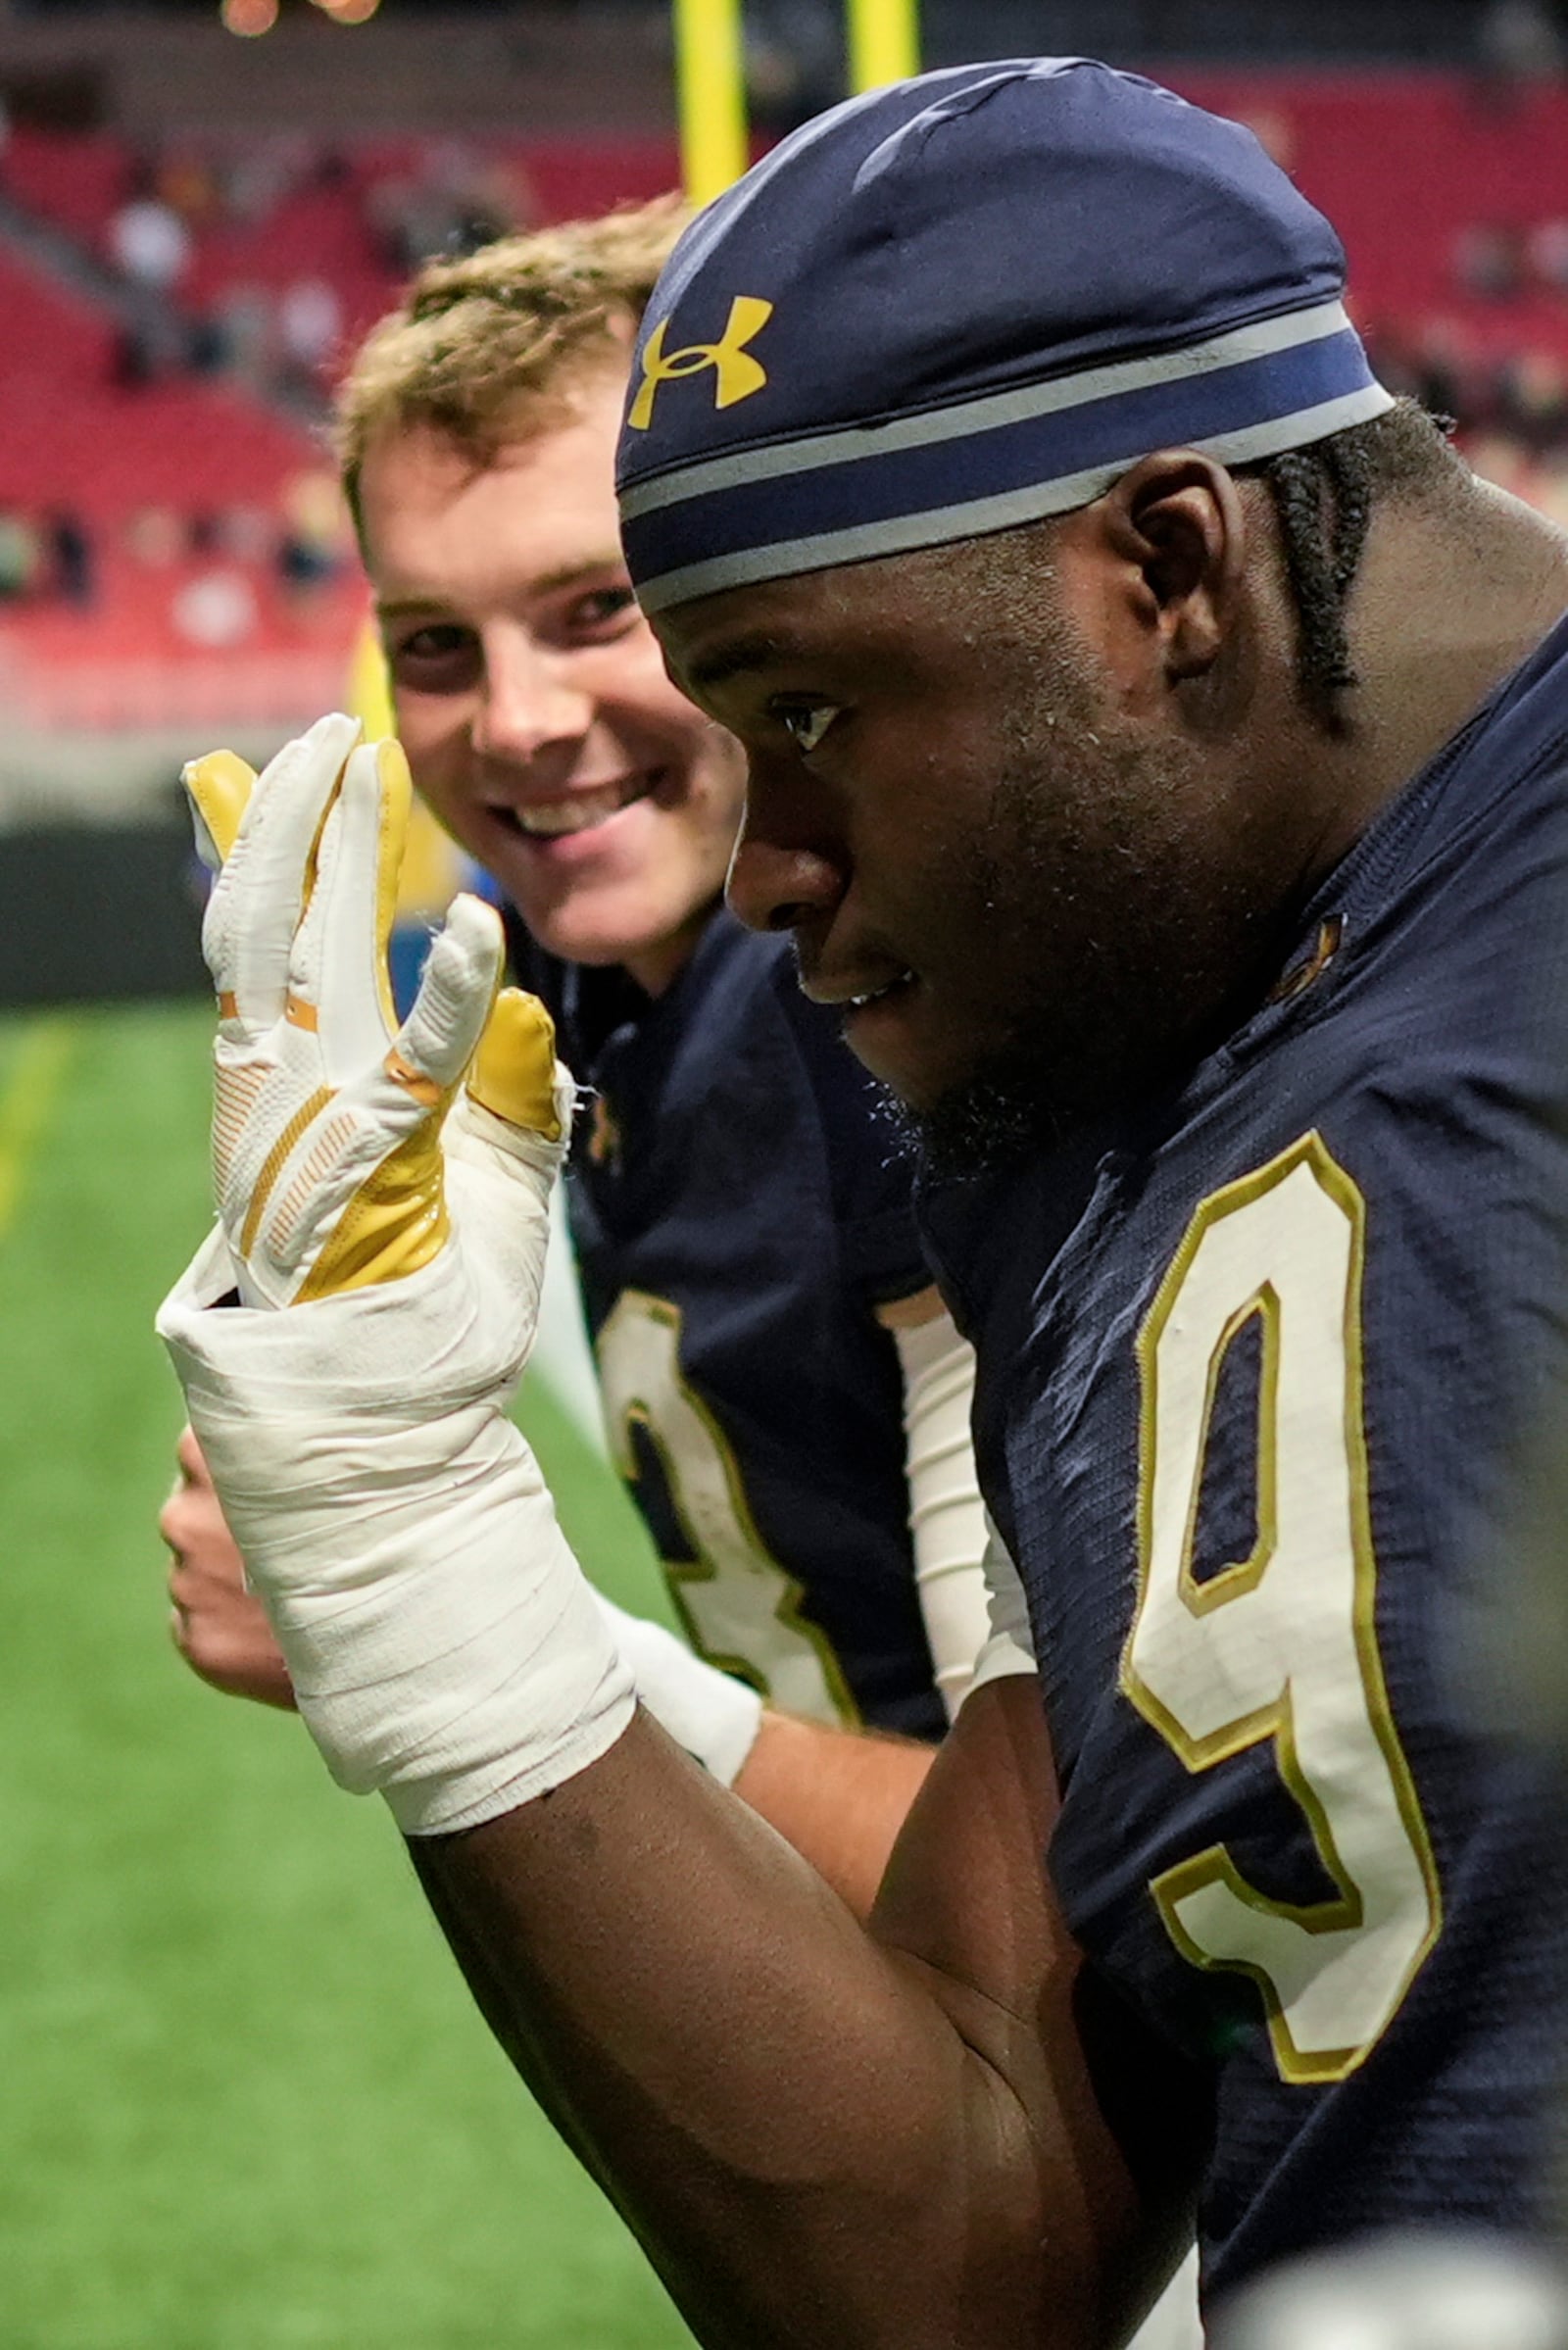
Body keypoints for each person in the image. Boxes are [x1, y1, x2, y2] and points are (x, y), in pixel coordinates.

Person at [158, 60, 1568, 2345]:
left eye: (803, 707)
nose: (762, 860)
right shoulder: (1111, 1040)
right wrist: (414, 1555)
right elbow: (963, 2258)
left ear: (1162, 568)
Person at [161, 207, 1002, 1924]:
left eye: (599, 605)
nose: (521, 721)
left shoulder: (910, 1017)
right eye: (438, 645)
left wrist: (444, 1603)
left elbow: (1042, 1887)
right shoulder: (566, 962)